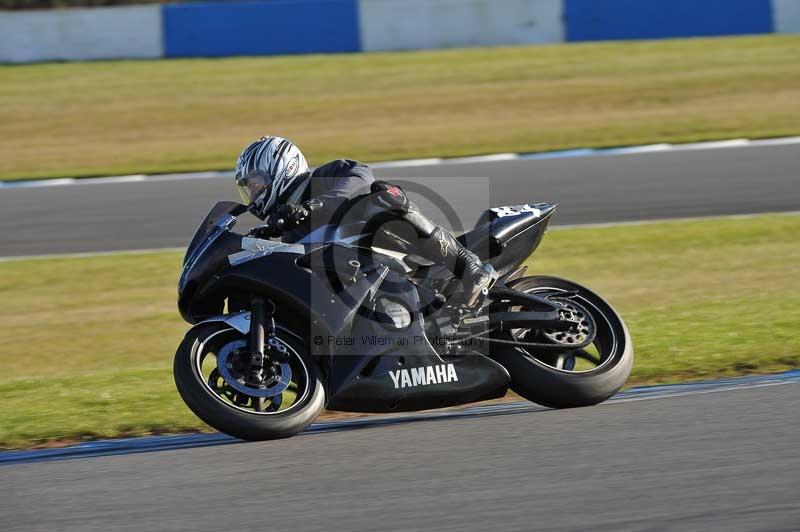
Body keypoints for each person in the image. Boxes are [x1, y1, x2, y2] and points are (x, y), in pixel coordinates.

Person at [234, 136, 497, 307]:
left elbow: (360, 178)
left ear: (283, 168)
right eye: (248, 187)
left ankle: (468, 266)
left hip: (396, 248)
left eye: (255, 183)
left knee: (382, 195)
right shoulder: (290, 232)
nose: (253, 193)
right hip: (361, 287)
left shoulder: (326, 175)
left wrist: (310, 207)